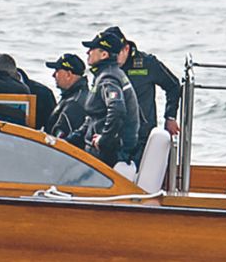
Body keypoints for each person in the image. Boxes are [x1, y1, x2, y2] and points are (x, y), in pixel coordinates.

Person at [102, 26, 181, 155]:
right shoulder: (104, 68)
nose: (113, 58)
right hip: (111, 134)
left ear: (126, 48)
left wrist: (170, 116)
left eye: (116, 53)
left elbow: (173, 86)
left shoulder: (147, 63)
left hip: (141, 136)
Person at [76, 29, 140, 168]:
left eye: (92, 49)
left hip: (107, 156)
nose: (88, 52)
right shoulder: (112, 73)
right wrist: (72, 139)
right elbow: (93, 117)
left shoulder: (108, 78)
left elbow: (117, 109)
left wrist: (104, 140)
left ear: (104, 54)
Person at [44, 53, 90, 141]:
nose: (53, 75)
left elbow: (62, 141)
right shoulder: (78, 95)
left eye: (57, 71)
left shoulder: (74, 103)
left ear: (68, 74)